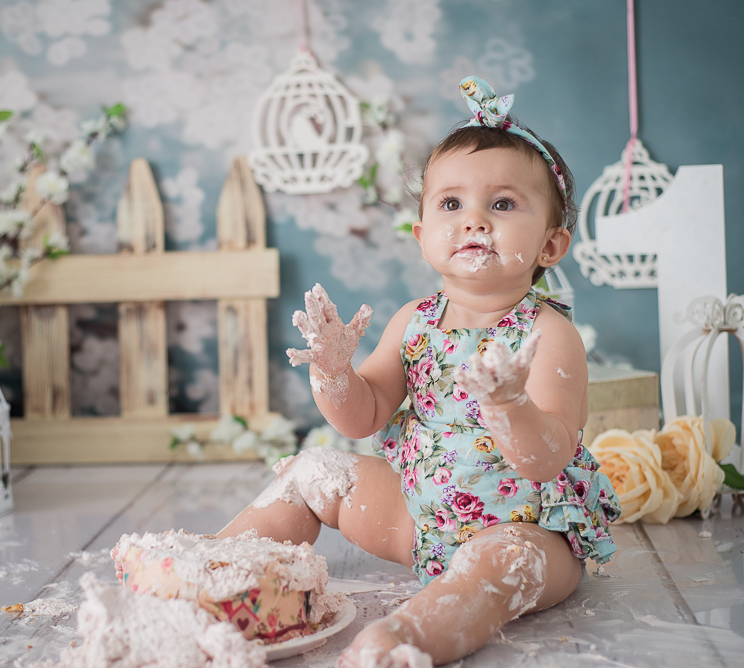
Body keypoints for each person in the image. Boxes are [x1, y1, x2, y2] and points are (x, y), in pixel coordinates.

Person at [218, 76, 621, 667]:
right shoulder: (415, 322)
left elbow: (547, 457)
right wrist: (335, 371)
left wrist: (510, 404)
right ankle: (209, 575)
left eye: (503, 204)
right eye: (451, 204)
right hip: (417, 518)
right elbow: (364, 417)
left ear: (551, 245)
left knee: (495, 566)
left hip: (525, 529)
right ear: (422, 235)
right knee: (314, 470)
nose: (474, 220)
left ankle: (407, 637)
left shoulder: (548, 334)